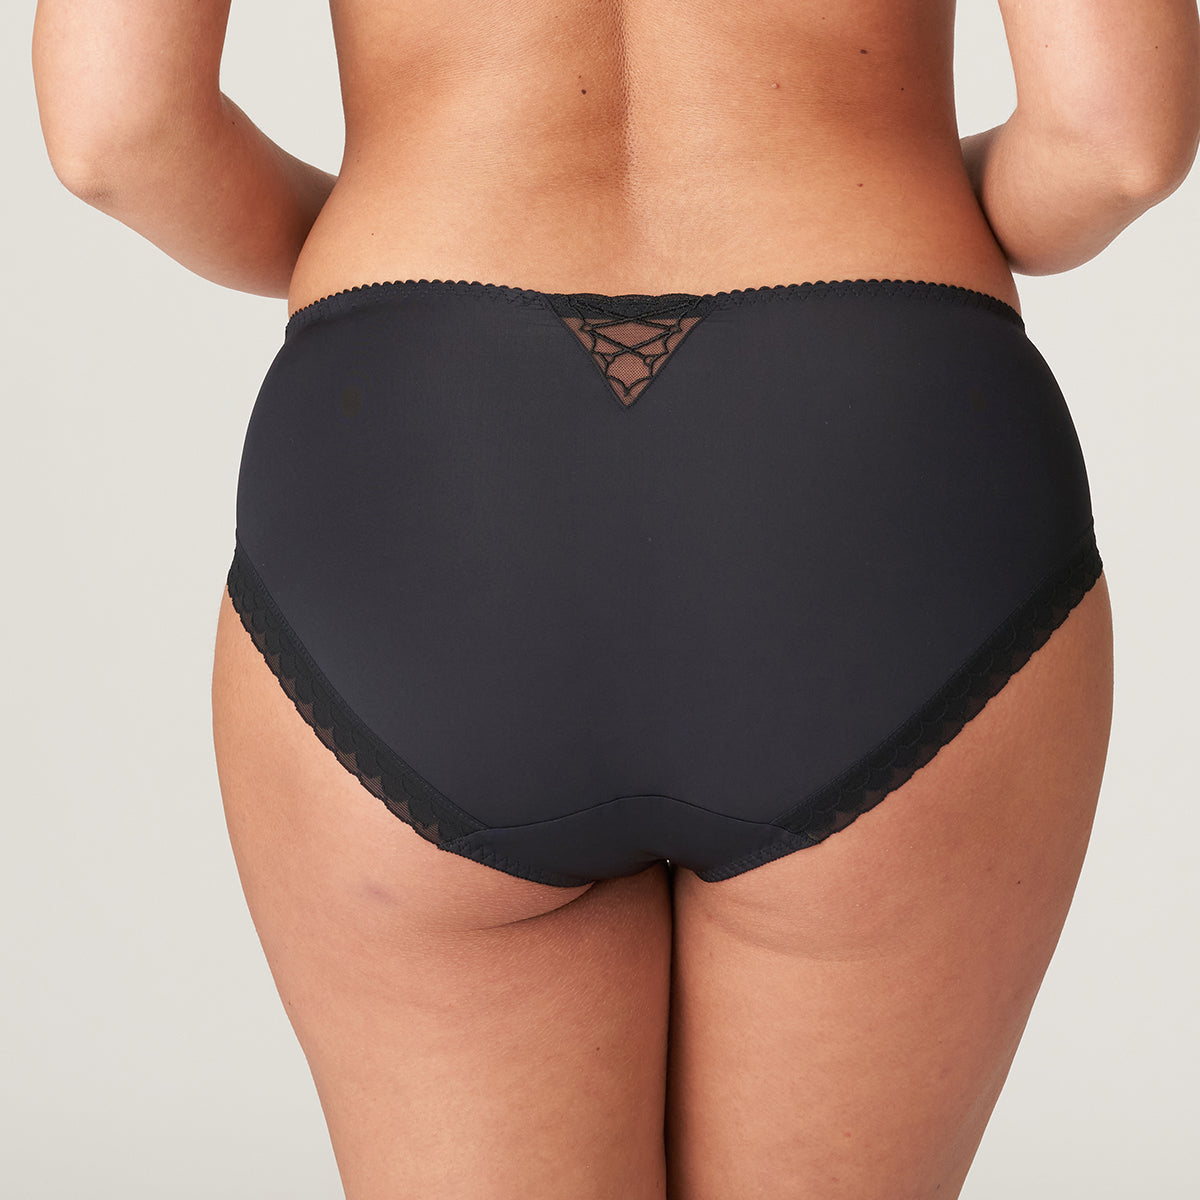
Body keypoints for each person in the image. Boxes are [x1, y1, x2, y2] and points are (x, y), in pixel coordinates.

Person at [31, 2, 1199, 1197]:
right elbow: (1114, 140)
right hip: (869, 449)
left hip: (424, 451)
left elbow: (117, 127)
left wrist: (381, 263)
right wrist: (888, 201)